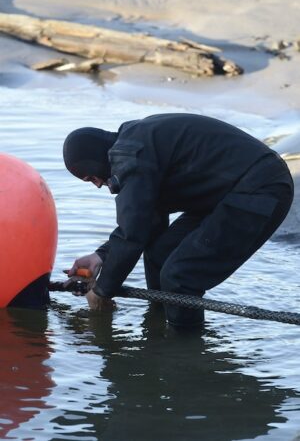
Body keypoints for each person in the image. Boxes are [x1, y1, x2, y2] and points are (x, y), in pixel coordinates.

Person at [63, 113, 294, 328]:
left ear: (96, 159)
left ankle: (184, 352)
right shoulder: (134, 145)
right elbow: (144, 220)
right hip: (227, 193)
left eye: (91, 177)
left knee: (180, 276)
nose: (97, 184)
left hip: (261, 188)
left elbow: (132, 233)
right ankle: (158, 328)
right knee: (160, 253)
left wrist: (102, 291)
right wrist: (101, 255)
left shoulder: (128, 156)